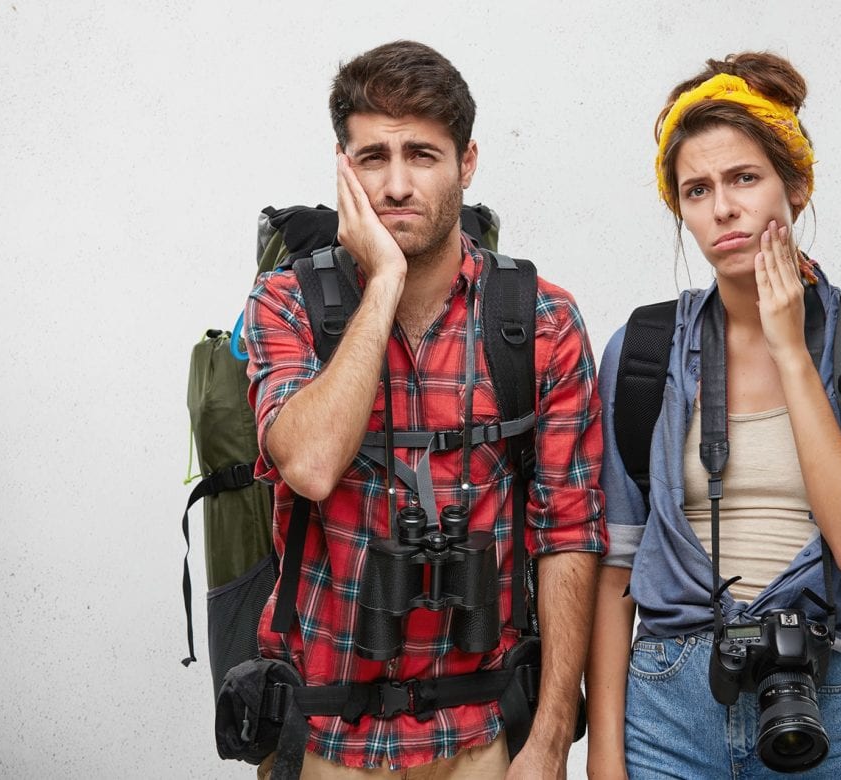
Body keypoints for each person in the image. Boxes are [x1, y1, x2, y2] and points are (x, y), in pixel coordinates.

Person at [244, 40, 606, 778]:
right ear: (344, 167)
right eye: (373, 158)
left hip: (483, 735)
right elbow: (310, 465)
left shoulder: (540, 321)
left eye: (423, 155)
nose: (398, 184)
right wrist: (382, 283)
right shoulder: (287, 304)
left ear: (467, 163)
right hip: (323, 737)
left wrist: (549, 739)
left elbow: (568, 532)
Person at [586, 51, 841, 779]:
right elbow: (615, 561)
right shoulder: (644, 348)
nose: (723, 209)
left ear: (796, 187)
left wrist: (789, 347)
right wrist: (605, 757)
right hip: (667, 704)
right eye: (696, 190)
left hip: (825, 692)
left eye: (745, 178)